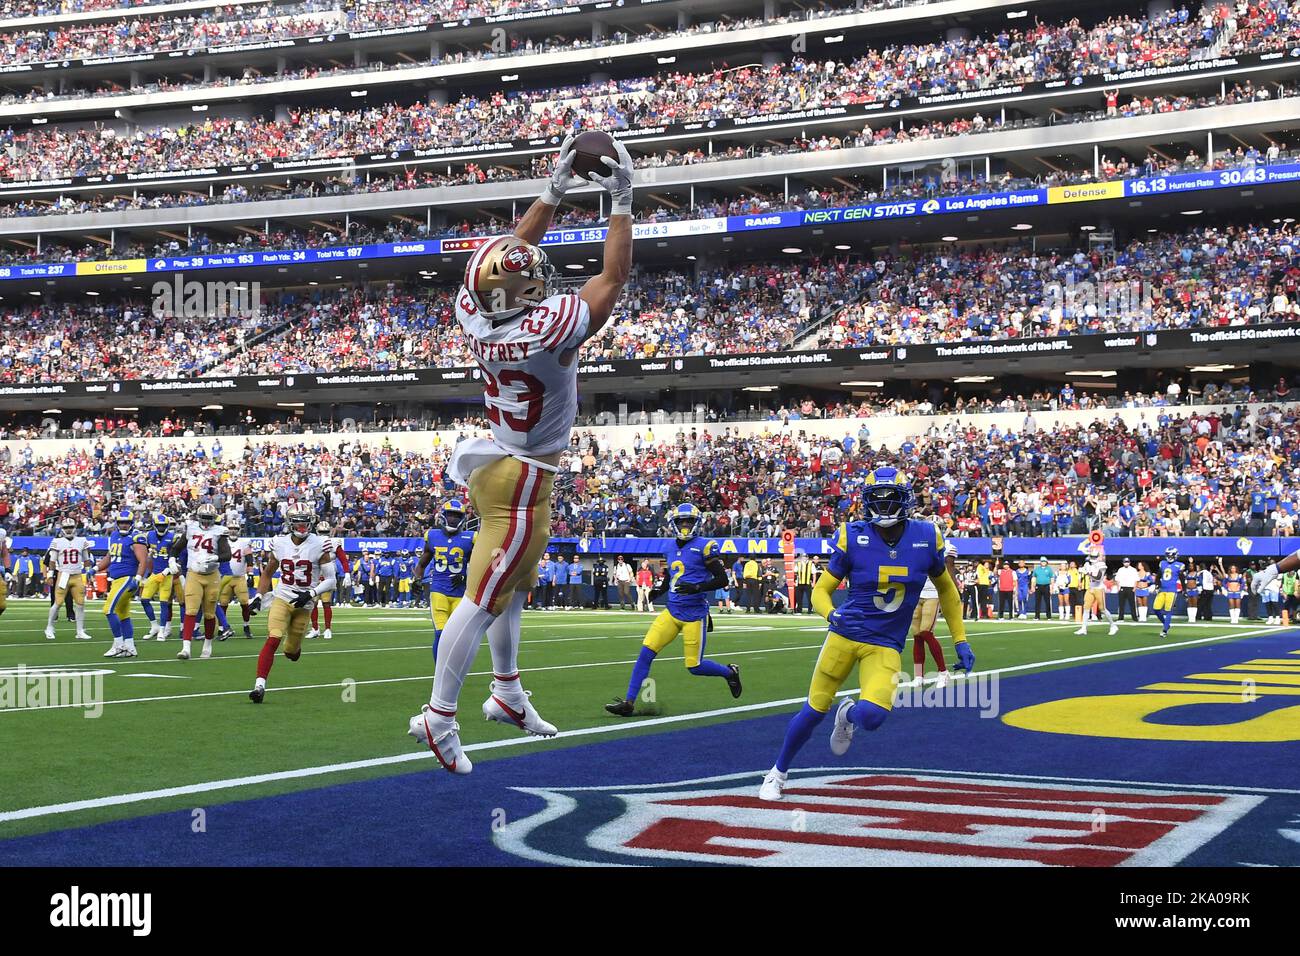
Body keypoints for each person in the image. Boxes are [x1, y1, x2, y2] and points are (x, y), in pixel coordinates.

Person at [406, 132, 635, 775]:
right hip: (523, 477)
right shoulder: (545, 329)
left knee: (510, 591)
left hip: (503, 463)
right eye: (530, 275)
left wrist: (555, 190)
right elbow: (612, 276)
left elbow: (511, 250)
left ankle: (506, 692)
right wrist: (621, 200)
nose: (535, 269)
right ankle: (439, 716)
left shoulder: (474, 308)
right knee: (481, 599)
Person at [759, 468, 975, 801]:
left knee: (872, 717)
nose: (884, 507)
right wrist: (831, 614)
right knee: (814, 710)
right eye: (878, 500)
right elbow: (820, 590)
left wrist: (960, 639)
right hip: (844, 636)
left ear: (905, 500)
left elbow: (947, 591)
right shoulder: (852, 535)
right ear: (866, 502)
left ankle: (847, 715)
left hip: (885, 643)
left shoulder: (926, 536)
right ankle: (777, 773)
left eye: (891, 500)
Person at [605, 504, 741, 716]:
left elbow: (722, 579)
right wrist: (659, 590)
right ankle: (629, 702)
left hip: (694, 614)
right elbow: (671, 575)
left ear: (696, 524)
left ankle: (729, 672)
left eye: (689, 521)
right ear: (674, 524)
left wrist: (697, 587)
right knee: (645, 653)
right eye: (681, 521)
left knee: (694, 666)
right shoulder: (669, 547)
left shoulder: (705, 546)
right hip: (672, 611)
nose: (685, 525)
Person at [247, 505, 337, 703]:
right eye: (298, 521)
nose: (302, 525)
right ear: (289, 522)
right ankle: (259, 686)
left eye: (305, 521)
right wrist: (259, 596)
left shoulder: (320, 544)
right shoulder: (279, 543)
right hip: (282, 596)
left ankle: (295, 648)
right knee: (274, 636)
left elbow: (331, 580)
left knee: (291, 652)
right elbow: (268, 572)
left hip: (304, 605)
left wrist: (311, 594)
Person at [415, 499, 476, 660]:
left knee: (458, 638)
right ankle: (439, 673)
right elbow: (422, 563)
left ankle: (453, 671)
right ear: (443, 515)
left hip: (461, 594)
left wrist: (466, 574)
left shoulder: (471, 538)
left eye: (457, 516)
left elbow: (481, 564)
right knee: (441, 634)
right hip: (438, 590)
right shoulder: (433, 536)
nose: (453, 519)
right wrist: (416, 579)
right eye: (450, 515)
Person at [171, 502, 230, 661]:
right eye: (203, 518)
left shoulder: (220, 531)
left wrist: (215, 557)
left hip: (212, 575)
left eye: (209, 518)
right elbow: (176, 547)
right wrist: (171, 559)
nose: (206, 521)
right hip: (194, 573)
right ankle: (186, 648)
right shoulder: (190, 528)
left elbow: (227, 555)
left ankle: (208, 644)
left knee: (210, 613)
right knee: (191, 610)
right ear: (198, 517)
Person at [98, 508, 152, 659]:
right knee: (122, 613)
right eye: (121, 523)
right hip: (116, 579)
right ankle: (130, 646)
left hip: (127, 578)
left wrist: (138, 579)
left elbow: (143, 561)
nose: (124, 526)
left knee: (109, 610)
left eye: (127, 523)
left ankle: (118, 644)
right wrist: (95, 568)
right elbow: (110, 556)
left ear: (132, 523)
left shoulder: (136, 537)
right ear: (117, 523)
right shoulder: (114, 535)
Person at [910, 538, 958, 686]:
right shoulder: (916, 542)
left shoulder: (948, 547)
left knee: (925, 632)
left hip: (933, 593)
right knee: (917, 635)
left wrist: (948, 596)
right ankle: (919, 676)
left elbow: (949, 573)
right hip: (917, 592)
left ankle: (943, 672)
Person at [44, 517, 91, 642]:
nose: (68, 530)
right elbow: (52, 561)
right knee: (58, 603)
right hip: (63, 575)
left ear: (74, 528)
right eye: (66, 527)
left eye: (70, 527)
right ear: (62, 528)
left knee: (80, 604)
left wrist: (89, 573)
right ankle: (49, 628)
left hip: (77, 575)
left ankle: (80, 631)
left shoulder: (82, 540)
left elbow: (86, 559)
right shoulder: (57, 541)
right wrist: (50, 575)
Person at [139, 512, 178, 641]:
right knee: (144, 600)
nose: (161, 528)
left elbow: (176, 560)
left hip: (167, 575)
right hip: (155, 573)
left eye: (163, 526)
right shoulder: (149, 536)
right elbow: (145, 554)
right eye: (159, 525)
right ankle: (154, 626)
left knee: (164, 603)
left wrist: (166, 571)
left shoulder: (172, 538)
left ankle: (162, 630)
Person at [217, 515, 256, 639]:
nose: (233, 530)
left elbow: (249, 560)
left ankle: (246, 626)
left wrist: (250, 574)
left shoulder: (244, 543)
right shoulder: (222, 541)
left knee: (244, 603)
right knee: (222, 604)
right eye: (231, 528)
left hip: (239, 577)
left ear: (239, 530)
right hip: (225, 577)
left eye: (235, 528)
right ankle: (221, 628)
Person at [1076, 548, 1119, 636]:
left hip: (1099, 588)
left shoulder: (1102, 565)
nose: (1093, 558)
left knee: (1102, 609)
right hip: (1091, 587)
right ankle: (1084, 628)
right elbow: (1083, 572)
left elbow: (1098, 578)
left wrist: (1087, 573)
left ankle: (1113, 625)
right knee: (1086, 607)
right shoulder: (1087, 564)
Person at [1152, 547, 1185, 639]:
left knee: (1168, 611)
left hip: (1172, 590)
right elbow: (1158, 576)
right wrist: (1157, 585)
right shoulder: (1162, 563)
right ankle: (1166, 624)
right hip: (1162, 589)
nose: (1169, 557)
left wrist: (1184, 590)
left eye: (1171, 555)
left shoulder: (1179, 565)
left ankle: (1165, 630)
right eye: (1168, 555)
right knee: (1156, 609)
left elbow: (1182, 579)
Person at [1114, 557, 1138, 622]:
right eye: (1125, 562)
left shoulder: (1133, 570)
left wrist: (1134, 588)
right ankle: (1121, 617)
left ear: (1129, 562)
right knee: (1121, 604)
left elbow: (1136, 579)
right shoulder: (1120, 570)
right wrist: (1118, 587)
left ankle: (1134, 618)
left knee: (1132, 604)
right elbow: (1117, 579)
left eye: (1127, 562)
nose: (1126, 563)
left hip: (1130, 588)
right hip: (1122, 587)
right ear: (1123, 563)